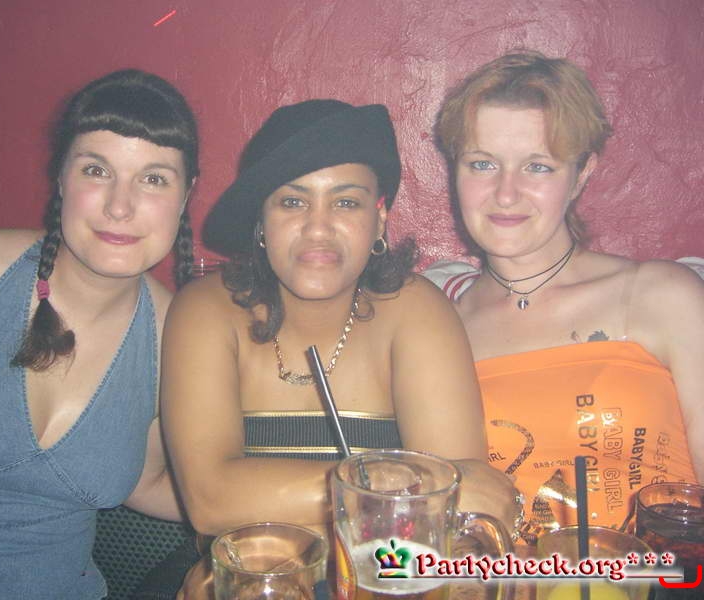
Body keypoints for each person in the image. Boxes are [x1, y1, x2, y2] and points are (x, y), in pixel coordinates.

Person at [161, 99, 519, 544]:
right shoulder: (207, 311)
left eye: (346, 202)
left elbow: (464, 511)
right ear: (261, 220)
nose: (318, 228)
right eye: (293, 202)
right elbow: (211, 502)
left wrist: (267, 498)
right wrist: (394, 481)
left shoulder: (415, 311)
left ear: (379, 218)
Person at [0, 69, 198, 599]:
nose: (120, 206)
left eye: (153, 178)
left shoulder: (178, 336)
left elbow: (148, 482)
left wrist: (310, 501)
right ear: (61, 177)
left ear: (186, 195)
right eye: (96, 170)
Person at [426, 50, 703, 543]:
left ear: (582, 173)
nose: (505, 193)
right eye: (482, 164)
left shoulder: (661, 296)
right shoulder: (438, 328)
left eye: (537, 167)